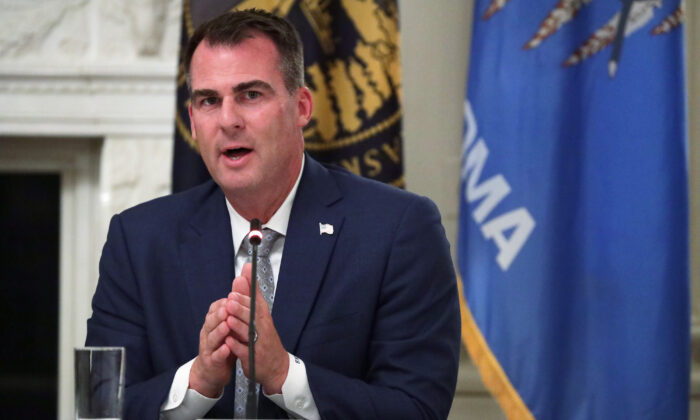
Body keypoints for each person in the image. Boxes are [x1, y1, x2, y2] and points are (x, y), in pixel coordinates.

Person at [86, 9, 460, 420]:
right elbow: (98, 405)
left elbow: (417, 409)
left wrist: (285, 375)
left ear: (301, 107)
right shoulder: (138, 239)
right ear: (192, 121)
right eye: (209, 101)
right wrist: (196, 382)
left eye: (251, 95)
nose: (228, 121)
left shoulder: (398, 230)